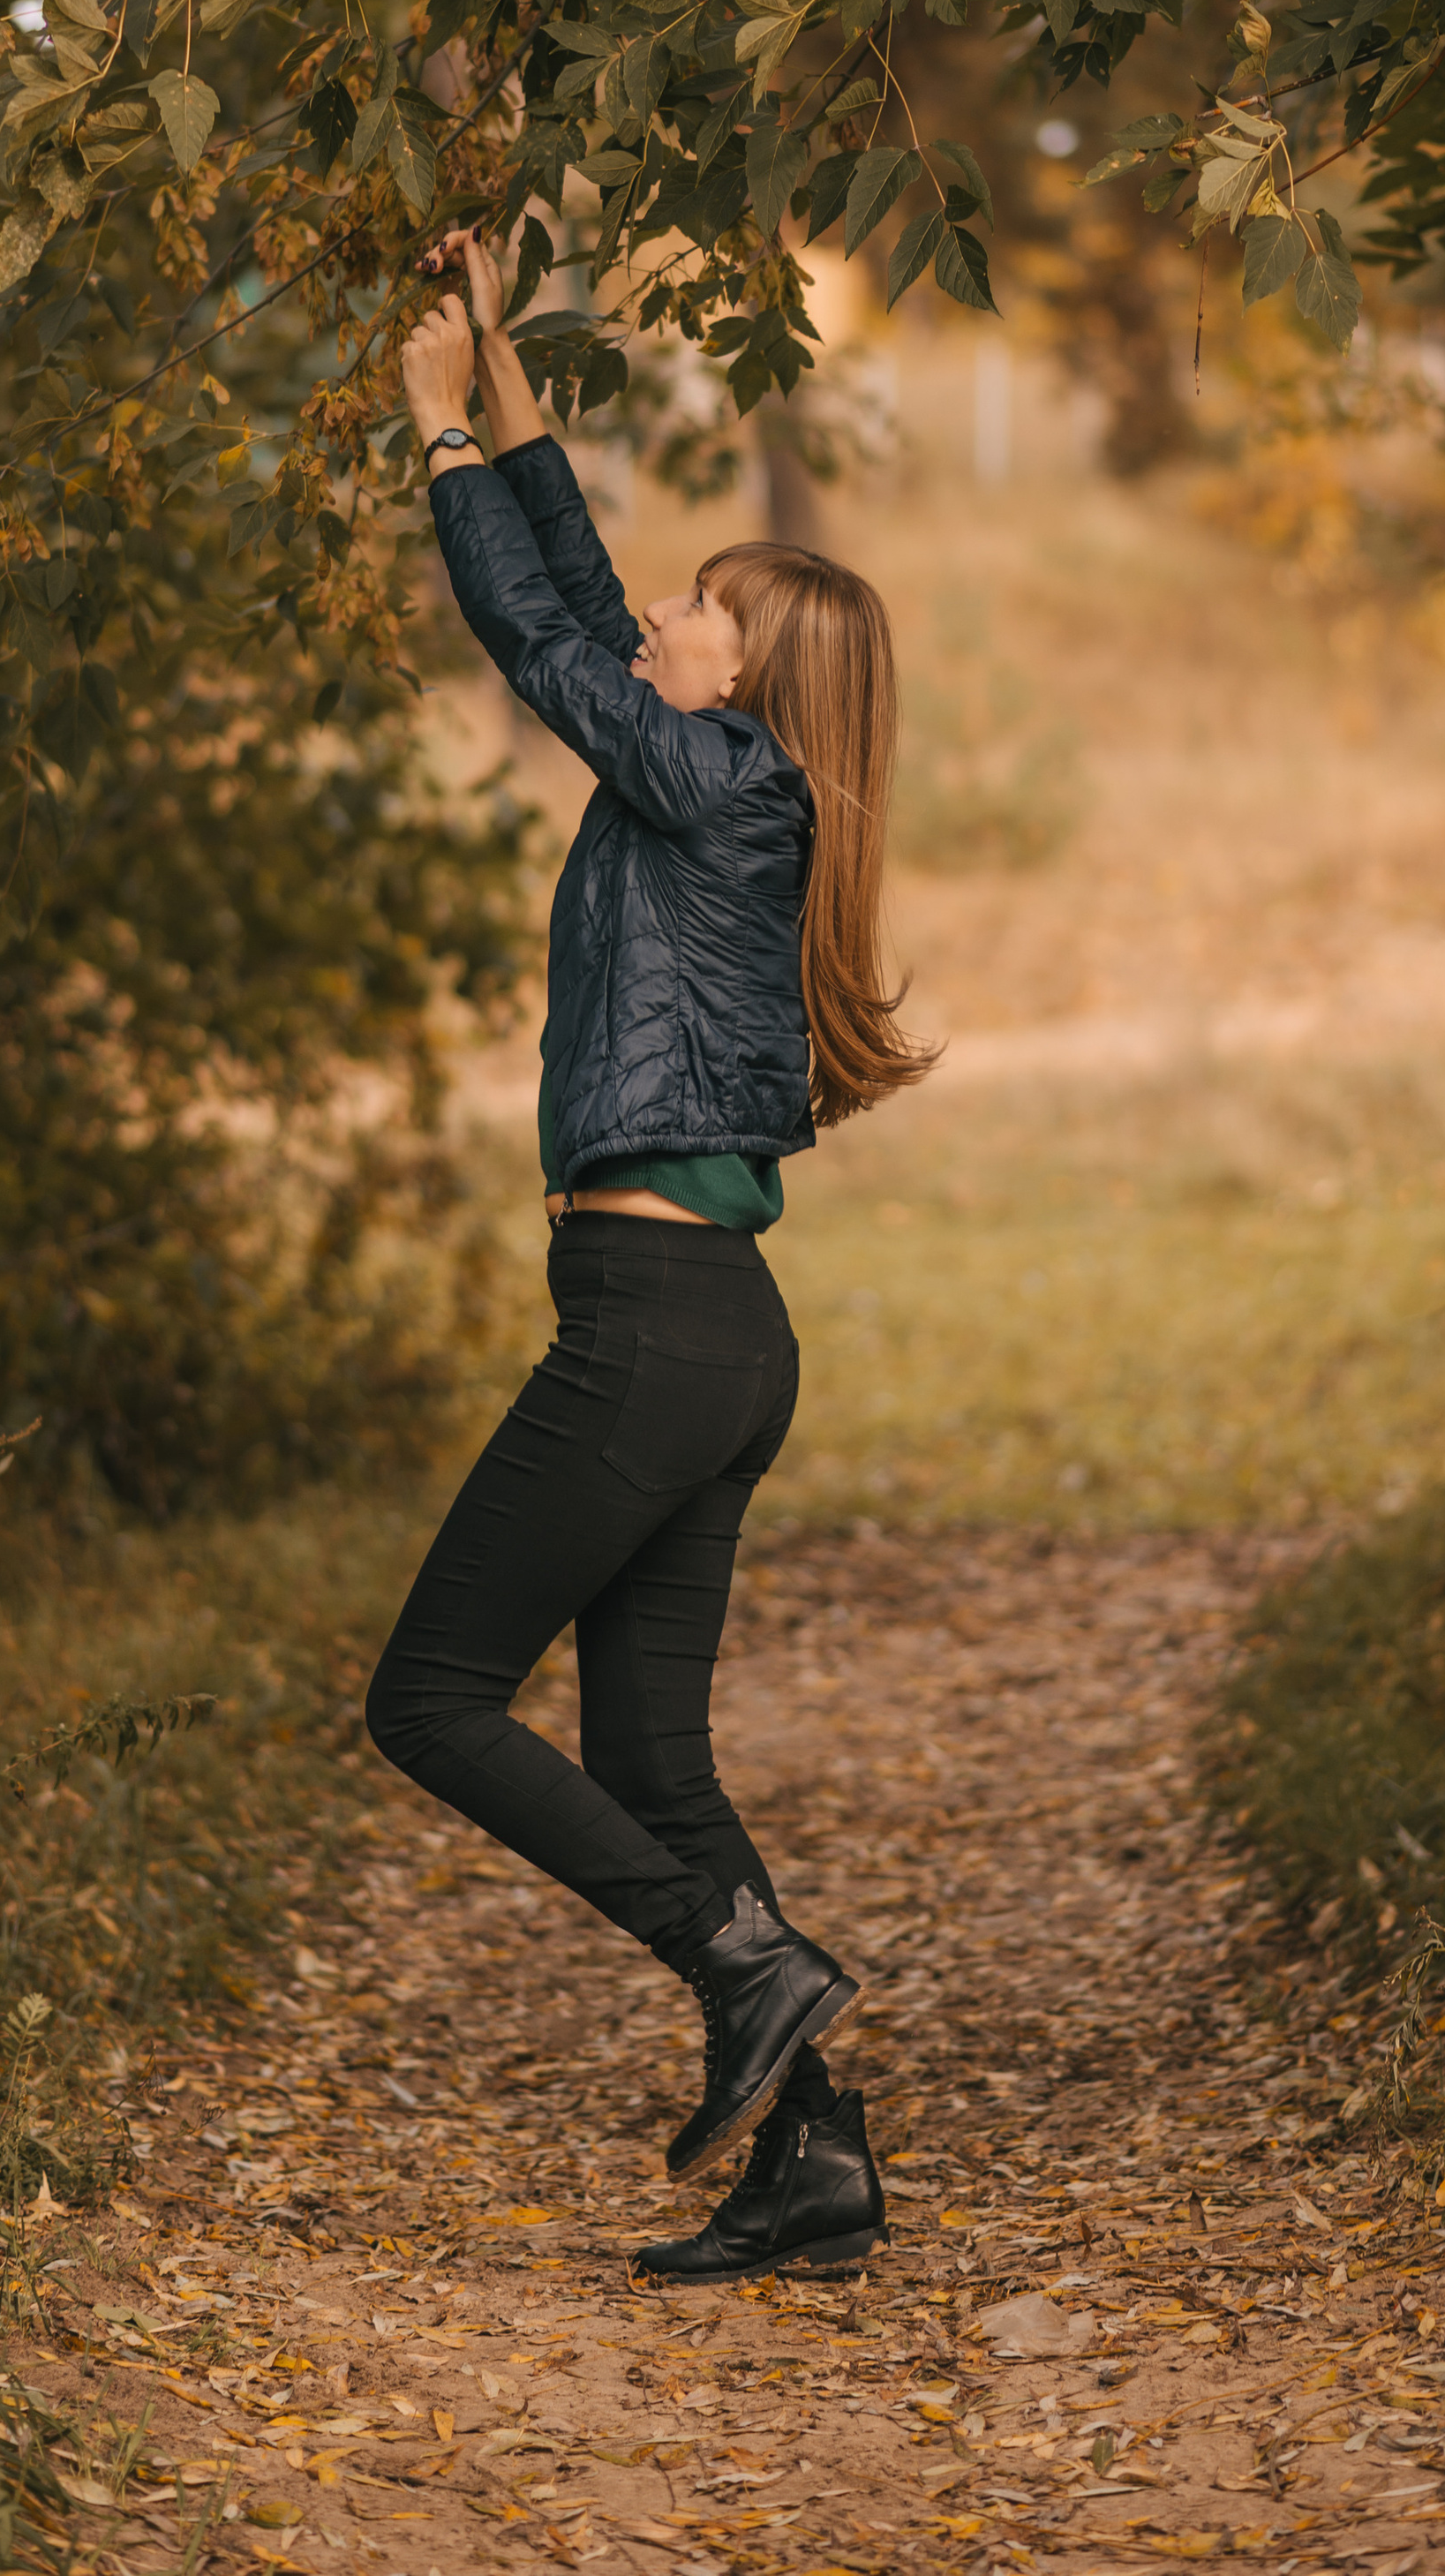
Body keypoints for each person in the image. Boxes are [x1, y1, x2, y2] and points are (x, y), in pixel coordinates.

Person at [364, 226, 936, 2286]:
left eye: (705, 609)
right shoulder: (711, 781)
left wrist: (429, 430)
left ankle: (732, 1962)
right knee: (647, 1752)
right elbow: (587, 607)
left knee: (428, 1697)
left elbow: (542, 647)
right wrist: (501, 379)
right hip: (703, 1327)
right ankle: (818, 2155)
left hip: (654, 1329)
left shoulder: (725, 784)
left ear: (748, 674)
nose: (665, 624)